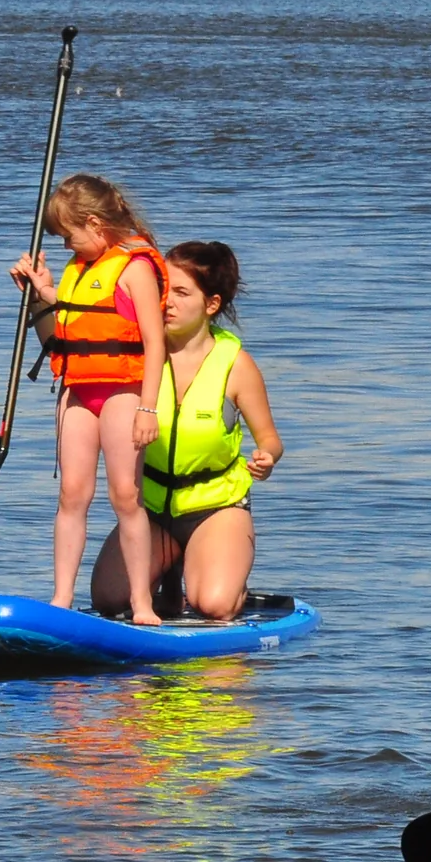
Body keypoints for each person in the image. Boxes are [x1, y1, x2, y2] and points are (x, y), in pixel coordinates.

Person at [90, 243, 283, 620]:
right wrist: (41, 299)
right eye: (163, 291)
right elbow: (70, 348)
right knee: (109, 600)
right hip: (150, 510)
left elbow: (271, 439)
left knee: (213, 605)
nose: (167, 303)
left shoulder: (237, 366)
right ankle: (170, 567)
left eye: (181, 293)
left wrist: (267, 458)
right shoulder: (137, 354)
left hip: (215, 507)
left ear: (211, 304)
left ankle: (223, 573)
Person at [10, 175, 169, 624]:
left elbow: (155, 345)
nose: (65, 247)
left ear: (96, 224)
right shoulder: (79, 268)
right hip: (78, 391)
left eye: (69, 236)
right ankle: (61, 599)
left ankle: (142, 603)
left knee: (125, 496)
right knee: (72, 493)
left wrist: (148, 408)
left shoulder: (134, 267)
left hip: (124, 392)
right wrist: (42, 293)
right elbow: (68, 326)